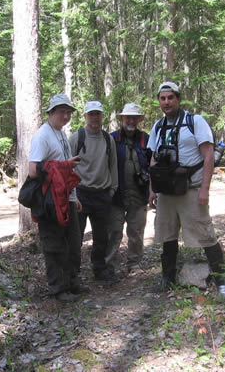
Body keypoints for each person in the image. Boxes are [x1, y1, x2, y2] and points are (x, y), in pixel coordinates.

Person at [147, 82, 225, 299]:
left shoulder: (195, 122)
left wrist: (205, 189)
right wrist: (152, 189)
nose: (166, 102)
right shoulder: (158, 127)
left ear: (178, 99)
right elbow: (153, 160)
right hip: (166, 192)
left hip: (191, 189)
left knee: (205, 234)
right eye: (162, 98)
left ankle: (222, 280)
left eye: (170, 98)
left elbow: (209, 156)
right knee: (167, 236)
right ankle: (168, 278)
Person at [28, 93, 88, 303]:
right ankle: (57, 288)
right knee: (54, 244)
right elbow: (34, 170)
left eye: (68, 112)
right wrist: (65, 166)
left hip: (66, 198)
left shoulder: (61, 134)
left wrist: (74, 197)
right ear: (51, 112)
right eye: (61, 112)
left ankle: (72, 281)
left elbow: (65, 171)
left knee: (73, 242)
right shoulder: (42, 136)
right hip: (49, 200)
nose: (65, 116)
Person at [69, 101, 119, 283]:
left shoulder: (108, 139)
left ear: (102, 116)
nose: (94, 117)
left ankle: (100, 270)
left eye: (97, 114)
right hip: (80, 193)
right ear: (85, 116)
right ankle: (73, 274)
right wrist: (71, 194)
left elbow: (113, 165)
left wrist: (112, 189)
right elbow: (67, 167)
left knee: (101, 237)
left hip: (102, 194)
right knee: (76, 237)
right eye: (91, 114)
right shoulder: (76, 138)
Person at [107, 103, 151, 276]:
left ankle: (134, 265)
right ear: (122, 119)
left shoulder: (146, 140)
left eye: (134, 118)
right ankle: (109, 266)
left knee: (136, 233)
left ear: (139, 120)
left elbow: (153, 166)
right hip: (115, 196)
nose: (131, 121)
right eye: (128, 118)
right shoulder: (111, 139)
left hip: (139, 196)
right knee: (113, 232)